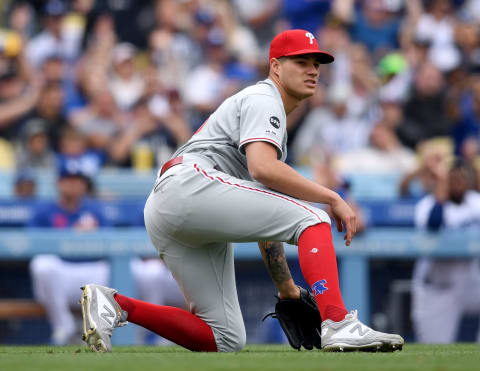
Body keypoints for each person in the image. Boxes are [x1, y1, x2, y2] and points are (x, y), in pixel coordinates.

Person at [80, 29, 404, 353]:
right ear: (275, 67)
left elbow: (266, 217)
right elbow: (262, 168)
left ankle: (115, 305)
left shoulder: (266, 108)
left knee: (225, 339)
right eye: (301, 62)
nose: (313, 70)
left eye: (317, 64)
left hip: (172, 205)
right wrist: (332, 196)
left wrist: (287, 288)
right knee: (315, 219)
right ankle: (337, 322)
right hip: (191, 184)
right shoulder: (265, 98)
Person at [29, 164, 184, 345]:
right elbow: (31, 244)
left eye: (77, 181)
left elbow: (111, 243)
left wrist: (93, 236)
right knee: (42, 265)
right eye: (68, 180)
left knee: (134, 268)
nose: (73, 185)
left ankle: (139, 333)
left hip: (94, 270)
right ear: (59, 183)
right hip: (63, 272)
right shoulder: (44, 211)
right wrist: (71, 235)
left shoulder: (94, 211)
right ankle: (64, 327)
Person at [412, 158, 480, 343]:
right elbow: (433, 226)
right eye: (453, 179)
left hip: (472, 279)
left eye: (462, 178)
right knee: (434, 345)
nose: (458, 183)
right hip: (439, 282)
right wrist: (441, 190)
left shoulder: (475, 201)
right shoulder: (427, 205)